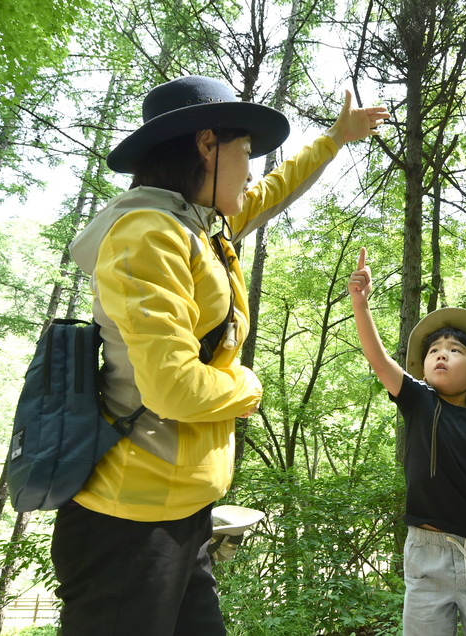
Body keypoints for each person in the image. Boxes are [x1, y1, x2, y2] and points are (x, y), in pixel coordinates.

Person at [50, 75, 389, 636]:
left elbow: (275, 189)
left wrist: (335, 139)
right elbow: (173, 389)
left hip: (183, 517)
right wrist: (249, 389)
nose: (252, 168)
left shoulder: (204, 230)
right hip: (127, 525)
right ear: (206, 145)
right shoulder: (148, 234)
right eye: (245, 151)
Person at [348, 247, 466, 635]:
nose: (441, 355)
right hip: (426, 553)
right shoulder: (419, 401)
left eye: (455, 351)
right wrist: (362, 306)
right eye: (434, 351)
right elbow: (378, 359)